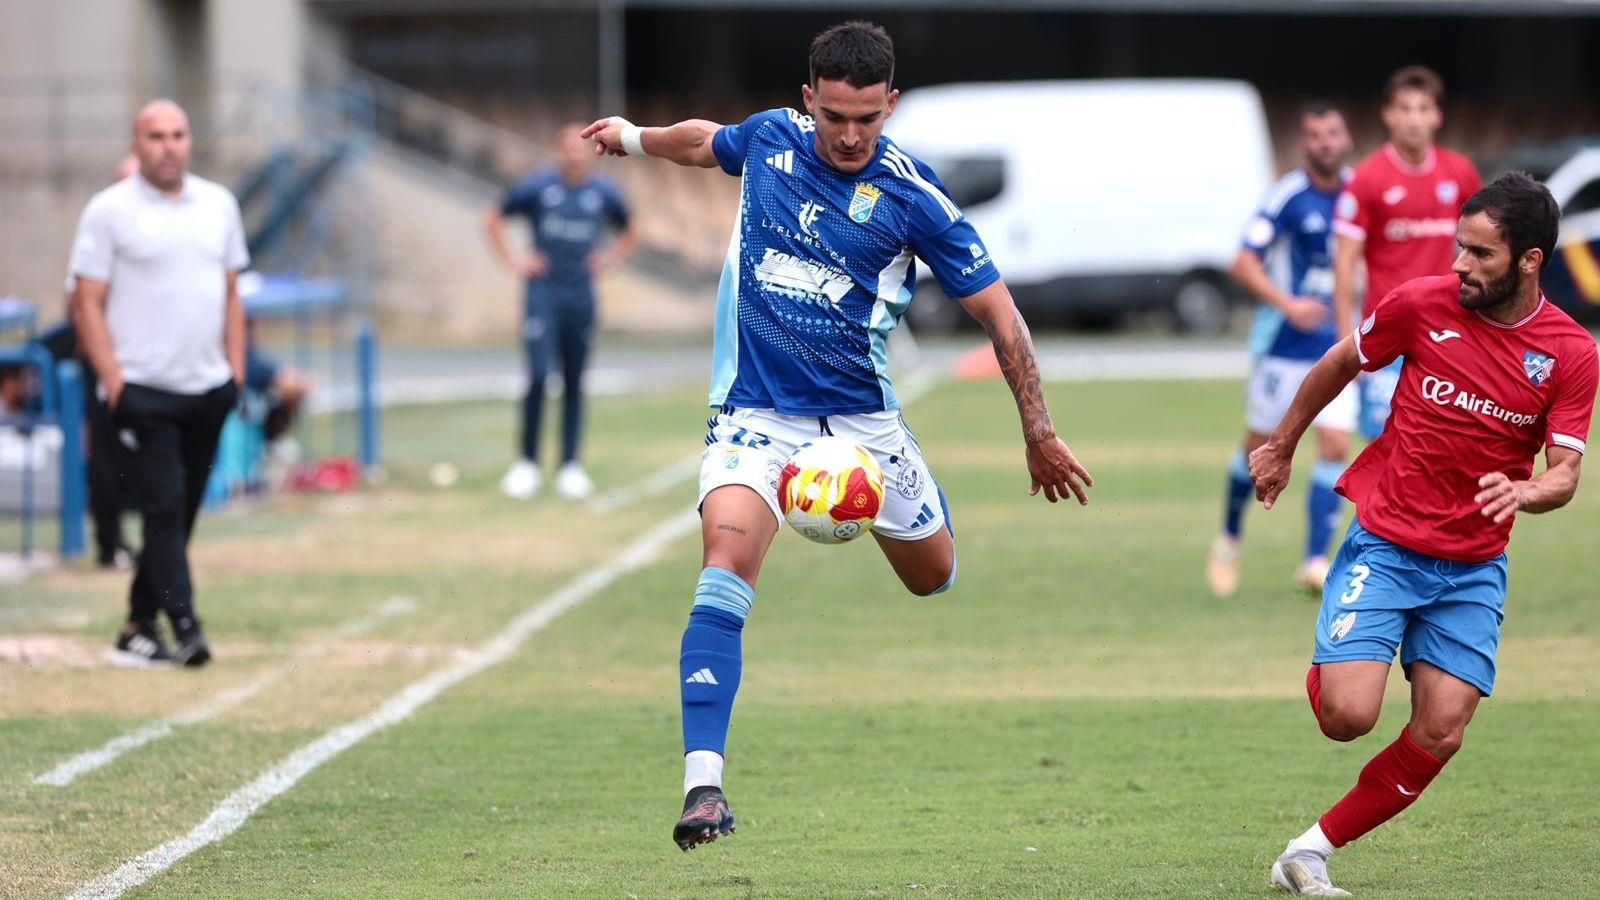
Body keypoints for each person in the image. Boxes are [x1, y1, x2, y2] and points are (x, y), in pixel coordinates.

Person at [582, 20, 1094, 851]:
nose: (851, 136)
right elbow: (702, 141)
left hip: (864, 427)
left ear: (889, 104)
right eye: (835, 118)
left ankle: (886, 507)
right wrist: (634, 138)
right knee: (723, 569)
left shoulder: (912, 196)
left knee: (933, 577)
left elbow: (1002, 314)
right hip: (756, 415)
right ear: (809, 97)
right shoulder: (772, 141)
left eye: (869, 119)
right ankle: (703, 787)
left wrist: (1037, 428)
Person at [1250, 173, 1597, 895]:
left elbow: (1564, 473)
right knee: (1347, 717)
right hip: (1389, 544)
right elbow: (1342, 360)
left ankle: (1306, 853)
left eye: (1481, 254)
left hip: (1473, 566)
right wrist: (1283, 444)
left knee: (1441, 730)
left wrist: (1527, 489)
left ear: (1530, 260)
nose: (1461, 266)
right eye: (1458, 248)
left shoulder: (1570, 353)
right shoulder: (1419, 306)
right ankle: (1341, 648)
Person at [68, 99, 248, 667]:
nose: (168, 145)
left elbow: (231, 292)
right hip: (144, 390)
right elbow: (85, 303)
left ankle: (138, 625)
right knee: (164, 507)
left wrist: (235, 372)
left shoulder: (218, 204)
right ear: (136, 143)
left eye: (178, 133)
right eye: (156, 136)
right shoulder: (108, 211)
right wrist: (115, 382)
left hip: (207, 387)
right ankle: (186, 626)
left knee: (184, 510)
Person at [1207, 104, 1355, 597]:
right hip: (1286, 349)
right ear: (1303, 144)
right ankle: (1229, 536)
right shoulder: (1287, 197)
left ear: (1346, 138)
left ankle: (1314, 560)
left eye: (1332, 133)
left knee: (1334, 444)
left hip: (1342, 345)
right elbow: (1243, 263)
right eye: (1314, 135)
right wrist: (1286, 303)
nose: (1325, 143)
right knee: (1258, 448)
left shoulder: (1361, 195)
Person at [485, 124, 636, 501]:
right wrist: (515, 261)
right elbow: (492, 219)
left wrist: (611, 258)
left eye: (581, 147)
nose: (575, 153)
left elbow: (630, 227)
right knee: (538, 376)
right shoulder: (537, 188)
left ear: (589, 152)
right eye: (568, 146)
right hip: (543, 295)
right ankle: (527, 465)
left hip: (581, 297)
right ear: (559, 149)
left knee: (573, 380)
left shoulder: (602, 193)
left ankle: (570, 466)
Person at [1333, 66, 1481, 439]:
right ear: (1388, 115)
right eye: (1405, 108)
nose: (1414, 118)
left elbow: (1486, 247)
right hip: (1388, 335)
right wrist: (1344, 350)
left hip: (1448, 334)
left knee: (1444, 444)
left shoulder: (1459, 172)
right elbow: (1344, 263)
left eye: (1423, 108)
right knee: (1386, 445)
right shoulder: (1368, 179)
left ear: (1437, 116)